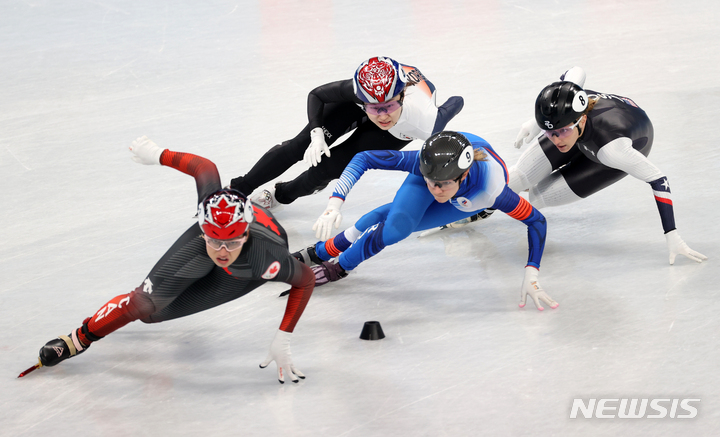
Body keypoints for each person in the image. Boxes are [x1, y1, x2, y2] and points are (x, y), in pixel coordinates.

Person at [20, 137, 315, 384]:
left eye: (232, 242)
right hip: (209, 247)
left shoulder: (267, 260)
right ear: (203, 224)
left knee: (153, 316)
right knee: (143, 305)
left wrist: (284, 335)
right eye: (215, 240)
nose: (223, 251)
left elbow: (306, 279)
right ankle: (79, 338)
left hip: (242, 273)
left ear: (245, 235)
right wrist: (158, 154)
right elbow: (204, 168)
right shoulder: (212, 206)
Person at [294, 131, 558, 311]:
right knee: (397, 227)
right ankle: (324, 252)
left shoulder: (492, 191)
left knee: (394, 221)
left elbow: (537, 222)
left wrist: (531, 272)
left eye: (442, 185)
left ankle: (337, 263)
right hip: (443, 164)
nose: (434, 191)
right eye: (430, 183)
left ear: (463, 177)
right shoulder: (424, 165)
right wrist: (334, 203)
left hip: (469, 198)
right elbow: (363, 158)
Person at [505, 67, 706, 265]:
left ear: (581, 119)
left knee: (537, 197)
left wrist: (672, 234)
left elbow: (658, 179)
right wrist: (536, 121)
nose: (556, 140)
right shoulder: (569, 104)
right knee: (517, 178)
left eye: (563, 131)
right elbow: (576, 70)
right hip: (592, 131)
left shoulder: (612, 150)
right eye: (551, 132)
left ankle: (532, 186)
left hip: (617, 146)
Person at [229, 56, 464, 209]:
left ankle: (280, 196)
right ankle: (237, 191)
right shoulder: (357, 90)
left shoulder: (426, 122)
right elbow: (317, 95)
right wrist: (316, 134)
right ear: (361, 99)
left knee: (328, 169)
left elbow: (457, 101)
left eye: (389, 106)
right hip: (365, 103)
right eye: (373, 108)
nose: (382, 115)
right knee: (298, 146)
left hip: (399, 130)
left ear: (402, 95)